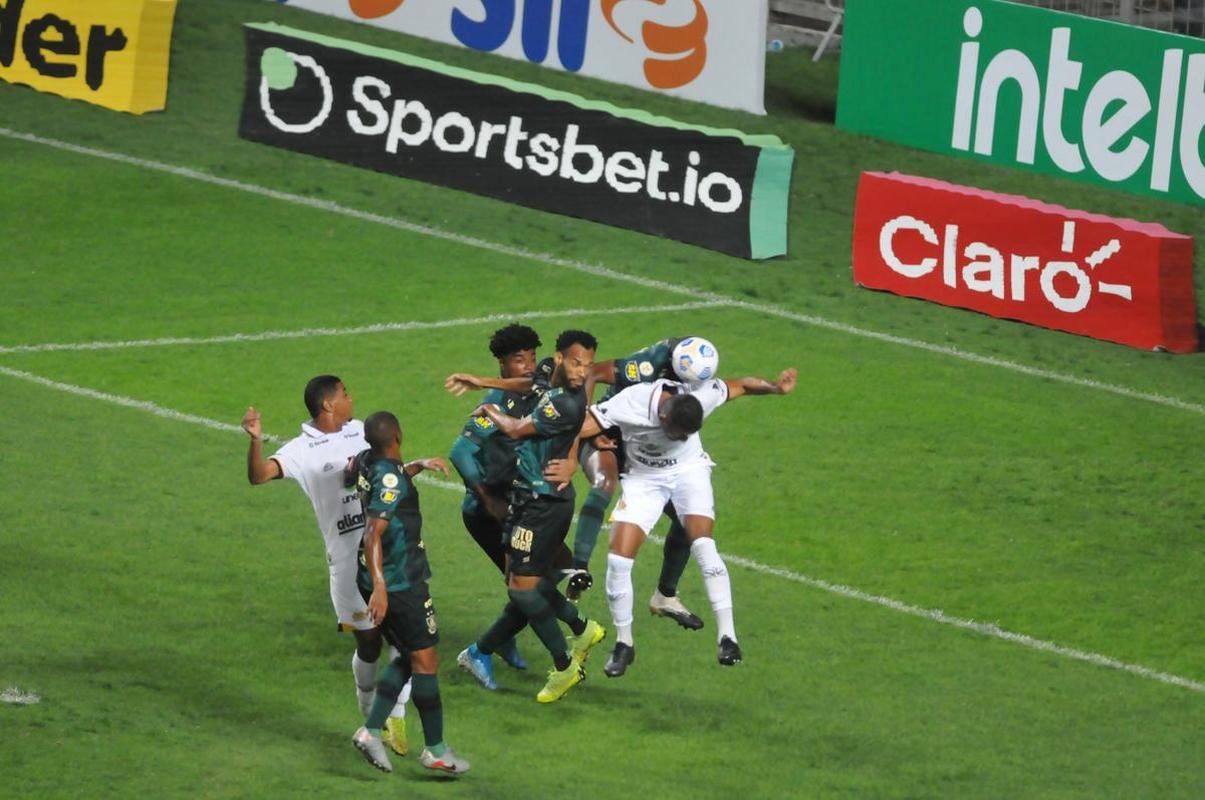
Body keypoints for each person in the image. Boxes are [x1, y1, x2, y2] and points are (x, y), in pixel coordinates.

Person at [576, 367, 798, 676]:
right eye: (679, 434)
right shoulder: (632, 403)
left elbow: (742, 385)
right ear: (663, 418)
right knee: (618, 561)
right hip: (643, 479)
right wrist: (581, 443)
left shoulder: (700, 397)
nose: (682, 438)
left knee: (704, 545)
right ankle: (624, 644)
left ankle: (727, 637)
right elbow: (580, 423)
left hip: (688, 473)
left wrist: (776, 388)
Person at [241, 376, 409, 754]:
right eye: (345, 394)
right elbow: (258, 476)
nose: (351, 398)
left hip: (386, 551)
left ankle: (395, 717)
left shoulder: (361, 432)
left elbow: (388, 470)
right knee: (368, 643)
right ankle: (372, 717)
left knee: (404, 635)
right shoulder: (301, 450)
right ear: (328, 405)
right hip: (346, 562)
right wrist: (255, 440)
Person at [455, 330, 607, 703]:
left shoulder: (547, 392)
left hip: (532, 502)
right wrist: (487, 499)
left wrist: (573, 457)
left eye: (530, 357)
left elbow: (569, 419)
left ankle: (495, 646)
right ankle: (491, 650)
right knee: (526, 584)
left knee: (537, 580)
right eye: (517, 360)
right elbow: (461, 452)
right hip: (493, 507)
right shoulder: (504, 400)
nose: (526, 366)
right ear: (504, 365)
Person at [346, 411, 469, 775]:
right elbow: (372, 534)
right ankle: (435, 750)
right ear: (398, 434)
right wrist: (382, 589)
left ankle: (371, 731)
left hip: (378, 576)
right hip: (399, 582)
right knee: (426, 660)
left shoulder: (369, 461)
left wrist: (416, 466)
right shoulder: (389, 478)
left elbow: (388, 478)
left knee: (412, 654)